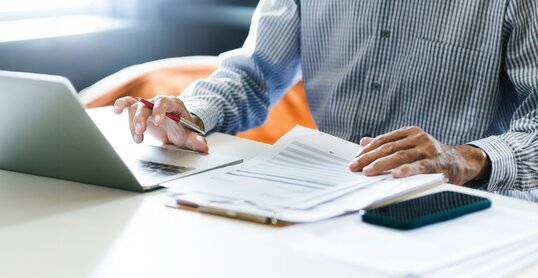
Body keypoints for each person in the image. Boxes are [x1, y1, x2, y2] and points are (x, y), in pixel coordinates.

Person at [113, 0, 538, 194]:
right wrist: (191, 114)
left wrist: (462, 158)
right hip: (326, 196)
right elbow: (254, 73)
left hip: (465, 206)